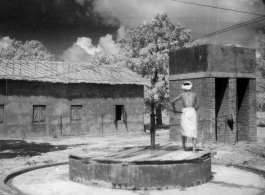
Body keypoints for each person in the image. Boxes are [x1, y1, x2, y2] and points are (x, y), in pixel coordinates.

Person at [171, 81, 200, 153]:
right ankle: (193, 150)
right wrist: (193, 109)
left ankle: (184, 148)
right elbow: (198, 105)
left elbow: (172, 101)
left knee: (184, 130)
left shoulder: (182, 94)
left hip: (185, 112)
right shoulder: (194, 94)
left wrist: (174, 110)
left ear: (184, 88)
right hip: (192, 112)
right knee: (193, 130)